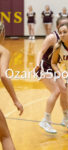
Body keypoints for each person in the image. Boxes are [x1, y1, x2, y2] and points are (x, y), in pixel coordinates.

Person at [35, 18, 68, 134]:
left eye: (66, 24)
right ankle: (45, 120)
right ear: (57, 26)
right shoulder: (52, 37)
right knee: (56, 91)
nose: (64, 26)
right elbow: (41, 52)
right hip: (44, 66)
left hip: (54, 67)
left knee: (64, 90)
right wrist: (37, 64)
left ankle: (66, 119)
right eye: (62, 24)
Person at [0, 22, 23, 150]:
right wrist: (16, 100)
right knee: (5, 137)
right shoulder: (3, 51)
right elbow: (4, 75)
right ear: (2, 33)